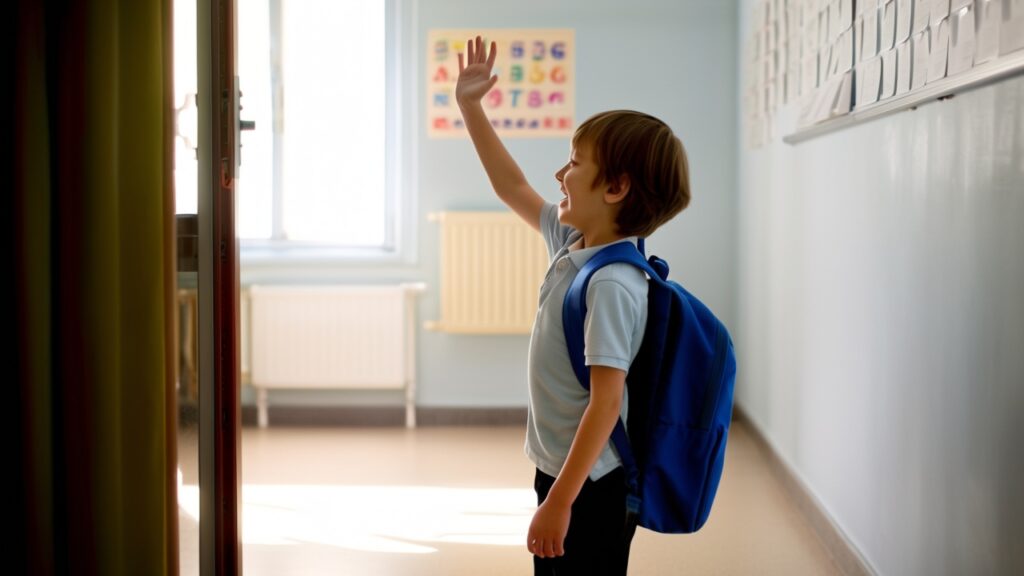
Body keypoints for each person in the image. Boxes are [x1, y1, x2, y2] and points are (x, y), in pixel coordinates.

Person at [456, 35, 691, 575]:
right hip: (564, 469)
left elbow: (606, 404)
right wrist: (471, 107)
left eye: (574, 163)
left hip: (590, 484)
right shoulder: (574, 244)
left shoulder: (612, 284)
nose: (559, 175)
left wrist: (560, 502)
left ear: (615, 188)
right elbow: (509, 183)